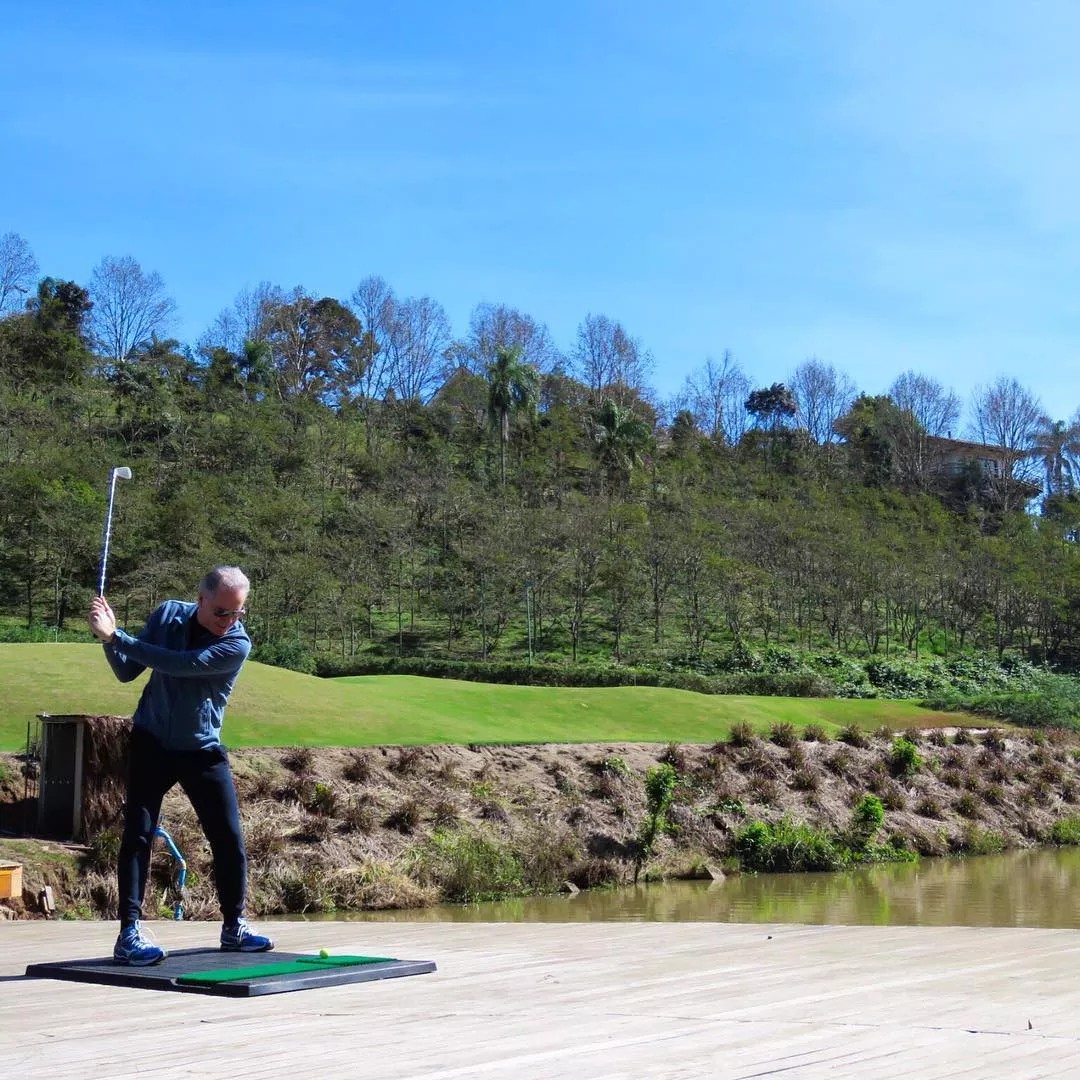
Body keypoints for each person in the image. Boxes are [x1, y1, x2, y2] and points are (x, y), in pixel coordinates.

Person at [88, 565, 274, 966]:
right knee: (137, 834)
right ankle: (128, 935)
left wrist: (116, 636)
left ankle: (234, 926)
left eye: (238, 612)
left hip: (201, 748)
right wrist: (106, 638)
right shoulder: (168, 614)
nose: (230, 621)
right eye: (222, 612)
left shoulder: (236, 644)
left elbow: (182, 664)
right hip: (151, 741)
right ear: (201, 600)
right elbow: (126, 672)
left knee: (227, 837)